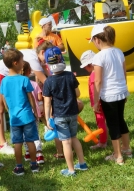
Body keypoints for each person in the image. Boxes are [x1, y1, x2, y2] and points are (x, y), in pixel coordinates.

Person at [0, 42, 52, 155]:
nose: (48, 61)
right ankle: (2, 143)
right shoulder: (33, 60)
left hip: (14, 75)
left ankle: (40, 133)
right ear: (43, 52)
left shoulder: (37, 60)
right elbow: (47, 82)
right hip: (1, 73)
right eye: (48, 57)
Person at [43, 46, 88, 176]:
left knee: (66, 142)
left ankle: (71, 170)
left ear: (47, 65)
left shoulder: (48, 82)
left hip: (59, 116)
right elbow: (78, 93)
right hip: (73, 113)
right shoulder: (70, 76)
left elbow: (47, 102)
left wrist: (47, 118)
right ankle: (82, 163)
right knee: (74, 138)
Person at [91, 24, 131, 165]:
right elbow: (124, 73)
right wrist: (125, 90)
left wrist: (96, 101)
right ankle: (126, 148)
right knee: (121, 120)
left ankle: (118, 155)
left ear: (97, 40)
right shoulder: (119, 52)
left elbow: (98, 81)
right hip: (121, 92)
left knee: (113, 124)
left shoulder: (99, 57)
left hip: (109, 95)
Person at [0, 49, 40, 175]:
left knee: (17, 143)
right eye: (22, 61)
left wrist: (9, 111)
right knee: (30, 141)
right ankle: (34, 166)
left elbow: (4, 99)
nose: (24, 63)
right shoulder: (24, 79)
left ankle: (19, 167)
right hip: (27, 116)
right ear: (16, 62)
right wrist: (35, 112)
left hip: (14, 118)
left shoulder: (4, 81)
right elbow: (31, 97)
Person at [80, 50, 107, 149]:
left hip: (98, 102)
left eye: (86, 66)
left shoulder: (93, 76)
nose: (85, 68)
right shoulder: (101, 72)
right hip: (103, 100)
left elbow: (94, 90)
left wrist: (95, 103)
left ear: (90, 64)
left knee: (100, 122)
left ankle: (103, 142)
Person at [22, 61, 44, 164]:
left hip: (22, 113)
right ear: (29, 71)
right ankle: (39, 153)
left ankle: (27, 152)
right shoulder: (34, 84)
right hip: (34, 111)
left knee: (24, 134)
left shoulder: (18, 84)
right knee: (35, 133)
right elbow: (39, 98)